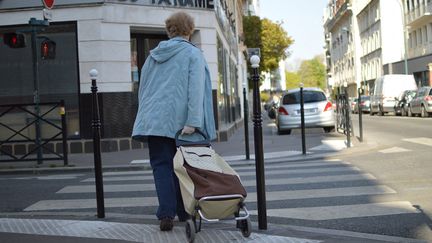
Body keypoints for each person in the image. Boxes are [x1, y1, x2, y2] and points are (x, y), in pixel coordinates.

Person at [132, 11, 216, 231]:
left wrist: (146, 117)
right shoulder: (193, 54)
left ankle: (167, 214)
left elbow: (144, 89)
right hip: (182, 124)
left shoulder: (153, 55)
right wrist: (194, 121)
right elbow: (195, 90)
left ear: (169, 30)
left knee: (162, 167)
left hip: (154, 121)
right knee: (184, 168)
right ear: (190, 30)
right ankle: (184, 212)